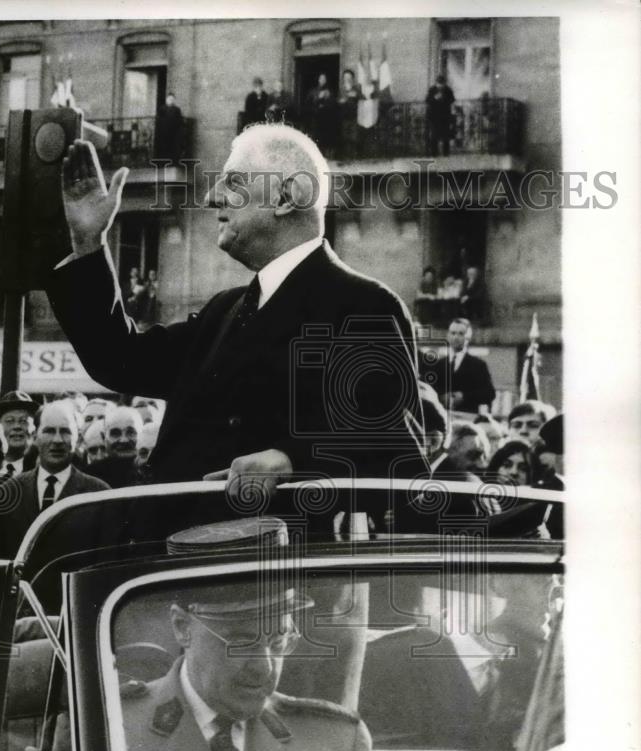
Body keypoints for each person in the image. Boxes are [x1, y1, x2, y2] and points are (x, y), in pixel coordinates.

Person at [47, 124, 426, 503]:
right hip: (174, 554)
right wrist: (88, 242)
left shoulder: (364, 306)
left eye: (233, 181)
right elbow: (121, 360)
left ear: (288, 195)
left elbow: (397, 456)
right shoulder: (223, 311)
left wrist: (291, 460)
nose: (212, 197)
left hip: (260, 557)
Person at [21, 577, 428, 751]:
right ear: (182, 626)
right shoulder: (103, 735)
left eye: (278, 640)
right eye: (239, 641)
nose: (264, 668)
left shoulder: (337, 742)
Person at [0, 401, 109, 560]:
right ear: (34, 437)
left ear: (78, 438)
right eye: (49, 431)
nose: (57, 440)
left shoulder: (98, 494)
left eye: (65, 431)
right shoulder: (7, 492)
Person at [433, 318, 496, 414]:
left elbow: (489, 393)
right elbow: (429, 390)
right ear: (448, 336)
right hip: (442, 417)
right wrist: (441, 397)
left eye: (461, 334)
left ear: (468, 337)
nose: (456, 337)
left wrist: (464, 396)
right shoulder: (438, 364)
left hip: (467, 418)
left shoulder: (478, 365)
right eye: (453, 333)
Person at [88, 405, 145, 488]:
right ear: (103, 437)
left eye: (131, 432)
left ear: (142, 435)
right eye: (115, 433)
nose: (123, 440)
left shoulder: (153, 471)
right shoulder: (90, 476)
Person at [0, 390, 39, 477]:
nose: (17, 426)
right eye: (9, 421)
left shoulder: (41, 470)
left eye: (24, 421)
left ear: (35, 430)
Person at [425, 74, 455, 156]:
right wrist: (435, 98)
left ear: (444, 83)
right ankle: (434, 153)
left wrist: (445, 98)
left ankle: (446, 153)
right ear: (436, 83)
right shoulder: (432, 90)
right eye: (439, 83)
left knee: (446, 135)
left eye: (442, 84)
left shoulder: (448, 90)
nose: (440, 86)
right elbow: (427, 100)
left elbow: (452, 100)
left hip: (445, 116)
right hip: (434, 116)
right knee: (434, 135)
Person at [155, 92, 184, 164]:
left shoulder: (177, 109)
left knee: (173, 148)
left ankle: (172, 162)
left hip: (173, 133)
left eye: (172, 99)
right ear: (166, 99)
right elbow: (158, 121)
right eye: (169, 99)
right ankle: (163, 162)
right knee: (164, 148)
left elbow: (180, 121)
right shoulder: (162, 109)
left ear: (174, 100)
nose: (171, 100)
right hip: (163, 132)